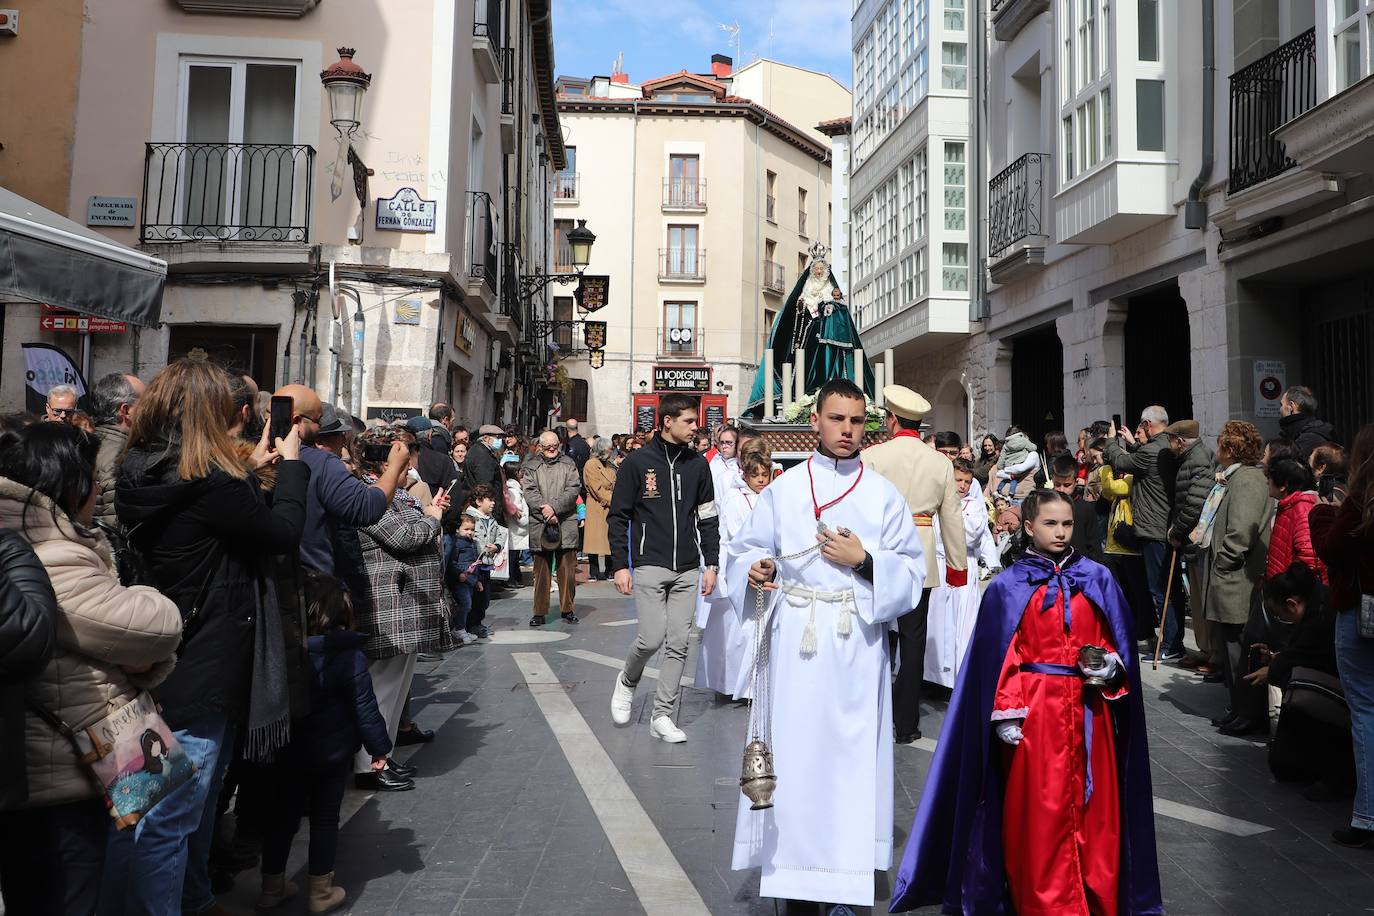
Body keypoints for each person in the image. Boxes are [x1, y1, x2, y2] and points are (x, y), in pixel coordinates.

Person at [893, 489, 1161, 916]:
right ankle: (1043, 903)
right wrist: (1006, 709)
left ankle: (1096, 898)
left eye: (1067, 523)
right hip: (1035, 717)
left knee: (1098, 814)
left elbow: (1118, 641)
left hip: (1089, 712)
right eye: (1051, 523)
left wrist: (1112, 667)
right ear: (1029, 526)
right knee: (1039, 816)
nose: (1060, 531)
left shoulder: (1098, 577)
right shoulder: (1007, 586)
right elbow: (1002, 654)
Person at [108, 359, 309, 915]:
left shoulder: (140, 468)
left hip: (152, 657)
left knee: (139, 806)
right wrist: (291, 468)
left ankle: (193, 898)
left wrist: (248, 466)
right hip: (207, 663)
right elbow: (280, 533)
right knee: (172, 815)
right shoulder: (213, 484)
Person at [724, 378, 924, 909]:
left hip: (855, 645)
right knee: (796, 757)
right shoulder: (783, 490)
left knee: (849, 763)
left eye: (857, 422)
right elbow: (744, 550)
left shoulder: (883, 495)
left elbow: (911, 571)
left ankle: (844, 879)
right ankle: (791, 876)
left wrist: (864, 561)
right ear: (815, 421)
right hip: (795, 642)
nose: (847, 430)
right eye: (837, 419)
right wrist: (757, 568)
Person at [0, 423, 178, 916]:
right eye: (91, 479)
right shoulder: (53, 554)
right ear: (68, 484)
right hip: (66, 770)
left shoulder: (41, 539)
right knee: (70, 893)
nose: (98, 489)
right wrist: (146, 595)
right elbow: (152, 628)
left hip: (72, 757)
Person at [257, 572, 389, 914]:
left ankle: (271, 888)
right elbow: (365, 707)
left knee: (282, 818)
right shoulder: (349, 656)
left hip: (285, 749)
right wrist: (379, 748)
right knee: (325, 819)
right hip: (331, 753)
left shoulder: (283, 653)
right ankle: (320, 892)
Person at [608, 395, 720, 743]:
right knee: (651, 638)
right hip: (649, 564)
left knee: (678, 643)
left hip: (688, 567)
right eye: (688, 421)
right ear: (667, 421)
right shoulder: (637, 463)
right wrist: (620, 566)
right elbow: (618, 516)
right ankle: (627, 679)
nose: (695, 428)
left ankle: (662, 715)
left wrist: (711, 563)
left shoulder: (698, 466)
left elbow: (708, 517)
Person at [861, 385, 967, 742]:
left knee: (871, 635)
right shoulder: (939, 462)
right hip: (920, 556)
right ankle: (906, 724)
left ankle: (868, 713)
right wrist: (957, 565)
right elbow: (952, 518)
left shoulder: (873, 456)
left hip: (877, 554)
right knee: (913, 642)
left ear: (891, 419)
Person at [349, 427, 451, 793]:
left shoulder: (395, 493)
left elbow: (412, 524)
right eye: (406, 459)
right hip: (388, 604)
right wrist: (433, 519)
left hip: (405, 607)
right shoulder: (367, 492)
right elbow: (404, 536)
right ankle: (369, 763)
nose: (411, 467)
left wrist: (427, 514)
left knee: (396, 687)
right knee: (381, 689)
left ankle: (382, 756)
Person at [1310, 422, 1374, 849]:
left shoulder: (1360, 499)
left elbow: (1331, 550)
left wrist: (1327, 511)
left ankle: (1367, 815)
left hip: (1363, 612)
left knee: (1366, 710)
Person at [276, 385, 408, 579]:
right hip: (314, 586)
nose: (344, 441)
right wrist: (395, 466)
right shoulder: (321, 464)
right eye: (318, 422)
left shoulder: (253, 458)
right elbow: (368, 507)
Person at [1194, 420, 1273, 737]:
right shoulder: (1240, 477)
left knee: (1240, 648)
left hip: (1238, 579)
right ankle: (1239, 708)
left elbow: (1240, 532)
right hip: (1232, 577)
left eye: (1220, 445)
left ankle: (1248, 712)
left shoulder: (1247, 480)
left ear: (1229, 449)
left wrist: (1224, 564)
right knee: (1230, 647)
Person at [1259, 561, 1352, 801]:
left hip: (1346, 690)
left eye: (1279, 614)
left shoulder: (1321, 616)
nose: (1280, 619)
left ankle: (1333, 775)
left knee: (1300, 687)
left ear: (1292, 603)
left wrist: (1272, 669)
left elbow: (1302, 654)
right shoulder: (1320, 600)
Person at [694, 435, 774, 698]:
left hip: (762, 565)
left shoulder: (769, 495)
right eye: (756, 475)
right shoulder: (735, 496)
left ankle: (751, 686)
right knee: (733, 631)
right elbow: (736, 532)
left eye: (765, 474)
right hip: (737, 566)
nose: (761, 479)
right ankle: (726, 684)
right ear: (745, 473)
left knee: (755, 629)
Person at [1105, 406, 1185, 661]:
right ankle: (1172, 641)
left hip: (1154, 528)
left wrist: (1111, 441)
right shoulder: (1165, 448)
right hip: (1162, 525)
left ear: (1148, 424)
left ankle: (1171, 644)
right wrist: (1132, 443)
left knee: (1160, 590)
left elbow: (1120, 461)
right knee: (1167, 589)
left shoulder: (1151, 450)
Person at [925, 457, 1000, 688]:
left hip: (963, 565)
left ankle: (960, 676)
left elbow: (971, 534)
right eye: (958, 480)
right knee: (936, 618)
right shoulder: (935, 501)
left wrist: (946, 524)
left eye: (967, 481)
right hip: (938, 564)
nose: (962, 486)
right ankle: (933, 676)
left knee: (963, 621)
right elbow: (934, 533)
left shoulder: (975, 505)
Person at [1161, 420, 1218, 670]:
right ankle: (1206, 650)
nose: (1169, 444)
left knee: (1204, 599)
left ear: (1180, 440)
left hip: (1198, 539)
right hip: (1191, 540)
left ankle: (1213, 653)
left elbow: (1195, 502)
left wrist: (1178, 529)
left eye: (1171, 439)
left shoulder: (1198, 460)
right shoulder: (1188, 459)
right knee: (1196, 599)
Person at [524, 431, 583, 627]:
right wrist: (546, 511)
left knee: (567, 570)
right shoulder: (531, 466)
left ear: (559, 445)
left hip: (565, 520)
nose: (551, 449)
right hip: (540, 522)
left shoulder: (568, 464)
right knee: (541, 572)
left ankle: (568, 609)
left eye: (554, 445)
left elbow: (573, 489)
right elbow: (530, 493)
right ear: (540, 446)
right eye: (547, 445)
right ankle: (539, 611)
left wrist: (555, 508)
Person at [1099, 457, 1156, 644]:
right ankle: (1125, 628)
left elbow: (1110, 488)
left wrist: (1106, 464)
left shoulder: (1134, 479)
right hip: (1115, 546)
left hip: (1130, 546)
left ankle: (1144, 632)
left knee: (1138, 593)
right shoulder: (1124, 478)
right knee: (1121, 592)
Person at [87, 373, 145, 527]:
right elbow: (116, 525)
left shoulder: (83, 443)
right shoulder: (121, 456)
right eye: (146, 403)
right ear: (126, 411)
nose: (150, 409)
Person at [1267, 458, 1326, 583]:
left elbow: (1309, 558)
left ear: (1284, 485)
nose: (1267, 482)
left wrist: (1290, 586)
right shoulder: (1288, 505)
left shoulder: (1302, 508)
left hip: (1294, 592)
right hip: (1281, 587)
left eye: (1270, 478)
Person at [462, 485, 503, 637]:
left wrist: (497, 546)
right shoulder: (469, 517)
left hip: (486, 564)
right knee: (474, 597)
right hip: (473, 565)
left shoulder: (491, 519)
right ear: (479, 501)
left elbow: (500, 534)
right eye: (490, 500)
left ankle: (477, 623)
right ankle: (470, 624)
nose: (493, 503)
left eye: (494, 500)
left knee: (484, 598)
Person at [582, 443, 616, 581]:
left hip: (608, 504)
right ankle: (594, 571)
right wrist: (612, 499)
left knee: (609, 539)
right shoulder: (591, 465)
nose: (611, 451)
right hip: (597, 505)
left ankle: (610, 569)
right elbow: (595, 487)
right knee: (594, 540)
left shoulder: (609, 465)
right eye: (608, 449)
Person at [463, 424, 509, 527]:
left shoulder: (478, 451)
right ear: (486, 438)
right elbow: (485, 485)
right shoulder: (482, 455)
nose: (500, 441)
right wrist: (491, 509)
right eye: (497, 438)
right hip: (485, 508)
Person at [446, 514, 481, 644]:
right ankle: (458, 629)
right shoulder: (456, 543)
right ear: (458, 529)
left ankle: (462, 628)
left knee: (468, 605)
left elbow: (474, 562)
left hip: (469, 580)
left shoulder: (472, 543)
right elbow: (451, 562)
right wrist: (458, 574)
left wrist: (477, 581)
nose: (470, 532)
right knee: (465, 604)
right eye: (466, 529)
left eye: (472, 530)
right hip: (460, 580)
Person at [1279, 385, 1336, 462]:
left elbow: (1296, 472)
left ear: (1292, 406)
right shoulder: (1305, 431)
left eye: (1281, 404)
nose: (1280, 409)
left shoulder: (1308, 439)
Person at [501, 454, 530, 587]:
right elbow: (516, 510)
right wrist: (525, 519)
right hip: (516, 529)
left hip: (516, 530)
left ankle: (516, 577)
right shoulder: (514, 491)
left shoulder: (514, 489)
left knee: (515, 554)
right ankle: (512, 578)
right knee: (513, 555)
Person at [993, 428, 1038, 499]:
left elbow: (1020, 468)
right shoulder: (1008, 450)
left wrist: (1005, 469)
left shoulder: (1033, 454)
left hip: (1022, 497)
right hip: (1005, 498)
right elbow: (999, 473)